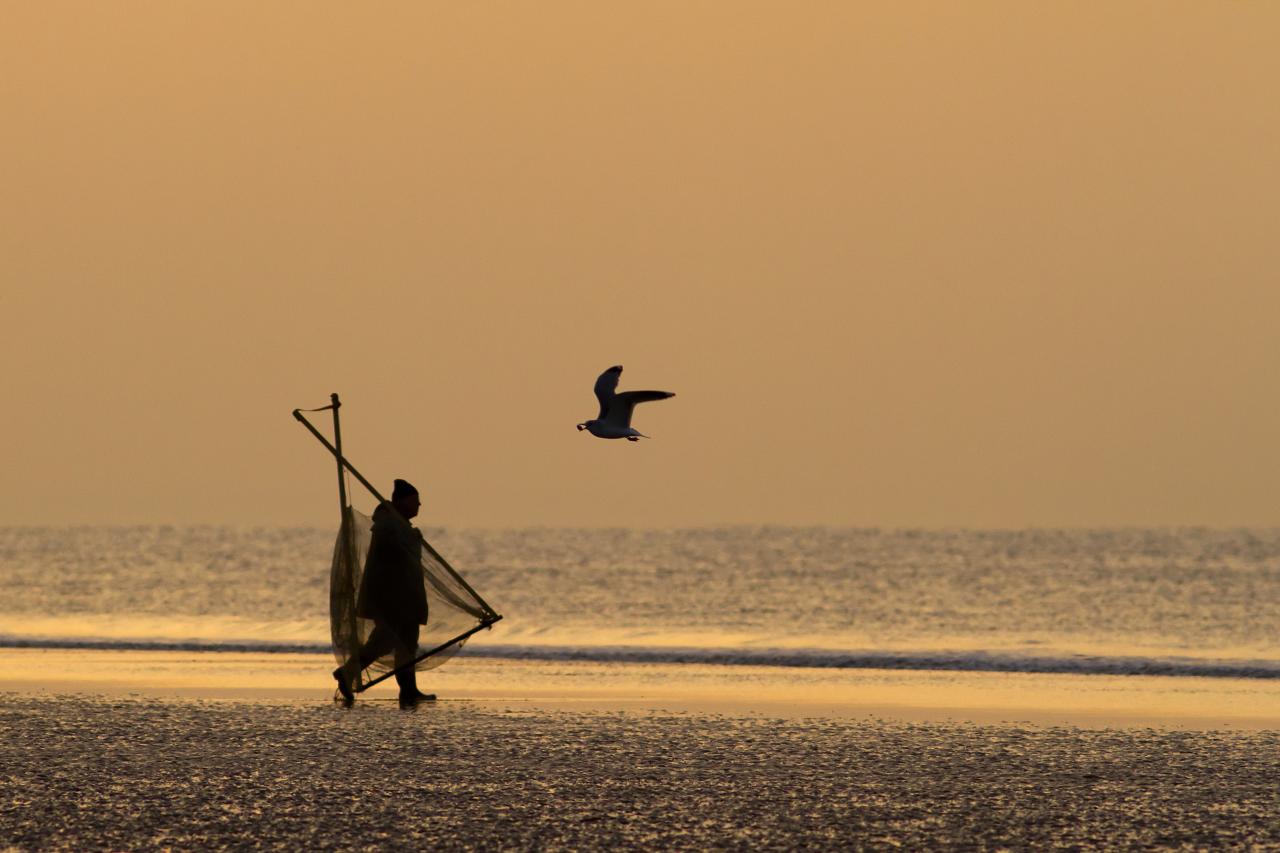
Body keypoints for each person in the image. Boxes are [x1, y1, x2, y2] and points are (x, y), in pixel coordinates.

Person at [333, 478, 436, 707]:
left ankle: (409, 690)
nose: (419, 506)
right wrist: (412, 538)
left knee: (408, 644)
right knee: (384, 640)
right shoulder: (387, 525)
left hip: (406, 600)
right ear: (401, 502)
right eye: (415, 501)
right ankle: (347, 673)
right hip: (390, 599)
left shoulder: (399, 525)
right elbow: (394, 553)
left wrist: (412, 537)